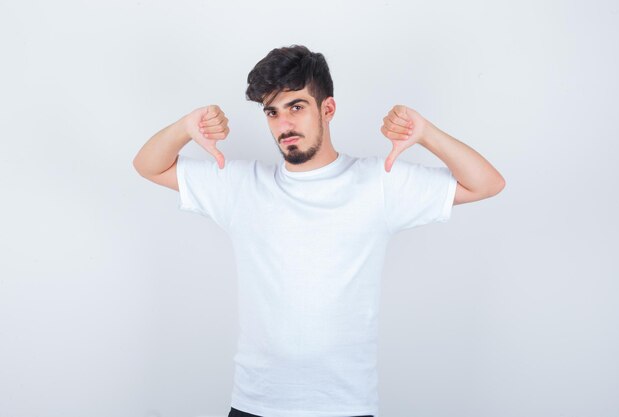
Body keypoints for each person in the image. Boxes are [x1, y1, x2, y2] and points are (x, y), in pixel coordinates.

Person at [133, 45, 505, 417]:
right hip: (255, 404)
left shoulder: (377, 183)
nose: (284, 125)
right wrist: (186, 127)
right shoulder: (241, 186)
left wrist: (426, 134)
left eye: (296, 106)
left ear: (328, 109)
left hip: (345, 406)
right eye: (272, 112)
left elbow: (486, 183)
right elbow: (149, 165)